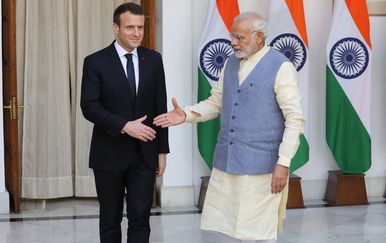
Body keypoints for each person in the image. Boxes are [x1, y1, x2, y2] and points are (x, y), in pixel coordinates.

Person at [154, 12, 304, 243]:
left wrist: (283, 163)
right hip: (228, 162)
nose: (233, 42)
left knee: (258, 232)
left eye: (240, 37)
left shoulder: (280, 66)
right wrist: (185, 114)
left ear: (260, 37)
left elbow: (295, 119)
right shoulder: (230, 63)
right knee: (227, 229)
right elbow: (216, 103)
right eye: (232, 36)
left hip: (261, 167)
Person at [80, 2, 169, 243]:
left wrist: (162, 150)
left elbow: (160, 107)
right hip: (108, 154)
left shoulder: (153, 60)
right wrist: (124, 125)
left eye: (140, 27)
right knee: (110, 220)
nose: (137, 33)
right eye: (130, 27)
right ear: (115, 28)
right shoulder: (95, 62)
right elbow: (89, 106)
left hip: (145, 154)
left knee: (141, 219)